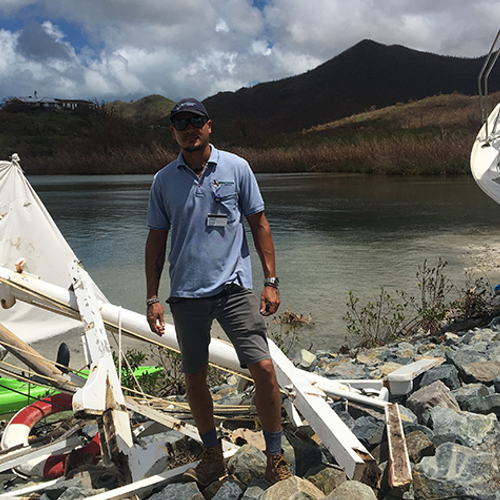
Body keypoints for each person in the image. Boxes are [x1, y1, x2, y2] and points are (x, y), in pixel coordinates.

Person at [145, 98, 291, 486]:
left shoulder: (236, 168)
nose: (189, 128)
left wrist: (271, 281)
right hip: (187, 293)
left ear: (209, 126)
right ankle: (212, 455)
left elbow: (259, 223)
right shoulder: (163, 181)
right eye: (180, 123)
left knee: (263, 369)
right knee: (195, 376)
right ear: (173, 131)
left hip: (234, 288)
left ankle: (274, 456)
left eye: (196, 121)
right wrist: (152, 297)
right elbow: (156, 242)